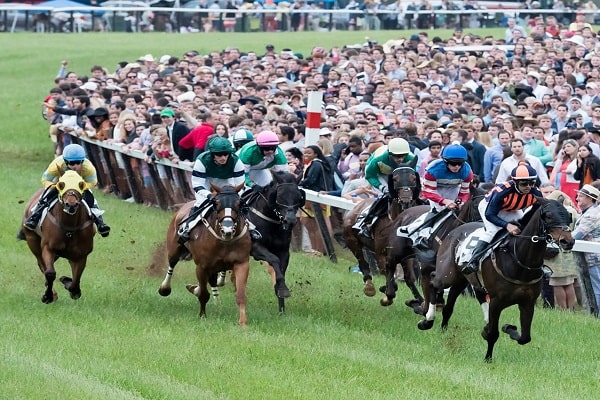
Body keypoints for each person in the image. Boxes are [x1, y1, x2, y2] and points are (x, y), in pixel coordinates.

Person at [177, 136, 260, 244]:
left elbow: (240, 184)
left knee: (238, 203)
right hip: (207, 181)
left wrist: (232, 197)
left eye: (226, 154)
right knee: (201, 202)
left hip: (228, 182)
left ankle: (251, 228)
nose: (223, 157)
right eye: (219, 154)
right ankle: (187, 227)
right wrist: (209, 196)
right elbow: (197, 184)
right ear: (212, 154)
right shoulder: (202, 160)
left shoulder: (236, 161)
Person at [463, 162, 543, 274]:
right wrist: (507, 225)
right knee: (493, 231)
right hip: (489, 208)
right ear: (515, 182)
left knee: (525, 231)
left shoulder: (536, 193)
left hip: (512, 208)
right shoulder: (502, 191)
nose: (529, 187)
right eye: (524, 183)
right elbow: (490, 215)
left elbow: (535, 212)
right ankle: (474, 259)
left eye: (532, 183)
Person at [23, 143, 110, 237]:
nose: (75, 166)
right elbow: (45, 179)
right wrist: (54, 186)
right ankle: (34, 217)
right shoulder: (57, 164)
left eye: (78, 162)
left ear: (83, 161)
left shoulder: (88, 167)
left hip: (79, 187)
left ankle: (100, 223)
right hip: (60, 185)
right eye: (72, 163)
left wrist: (83, 187)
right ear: (65, 161)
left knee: (91, 200)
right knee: (45, 196)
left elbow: (93, 182)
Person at [398, 143, 473, 246]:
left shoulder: (467, 171)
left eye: (460, 163)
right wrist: (444, 201)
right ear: (445, 161)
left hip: (454, 188)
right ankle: (421, 234)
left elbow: (464, 192)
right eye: (453, 163)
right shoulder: (433, 169)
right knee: (439, 210)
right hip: (435, 189)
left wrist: (461, 202)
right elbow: (428, 192)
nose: (457, 167)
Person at [355, 137, 415, 238]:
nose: (400, 159)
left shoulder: (411, 158)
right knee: (384, 196)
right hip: (380, 174)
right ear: (389, 153)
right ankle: (366, 222)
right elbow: (370, 176)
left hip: (400, 174)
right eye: (396, 156)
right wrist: (382, 187)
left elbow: (413, 176)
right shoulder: (378, 159)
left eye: (402, 156)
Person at [572, 184, 600, 314]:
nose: (577, 198)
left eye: (581, 196)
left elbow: (576, 236)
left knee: (598, 289)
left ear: (590, 198)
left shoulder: (591, 215)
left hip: (595, 258)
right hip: (592, 257)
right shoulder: (589, 212)